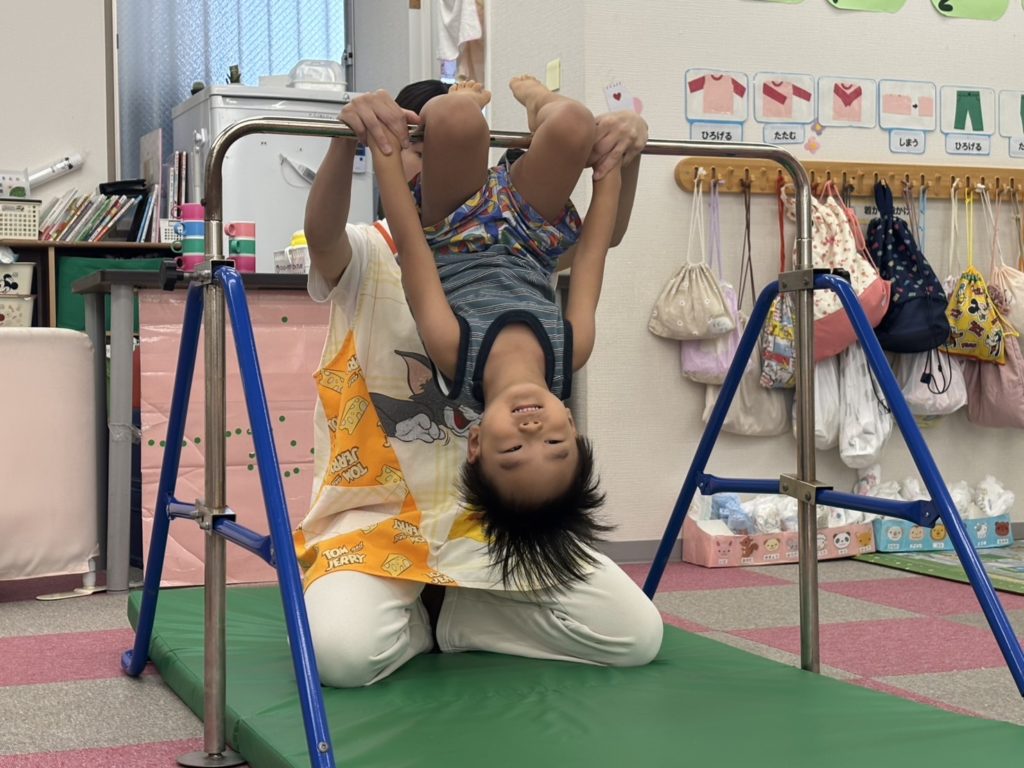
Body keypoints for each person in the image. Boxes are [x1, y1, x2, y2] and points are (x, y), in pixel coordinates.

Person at [295, 80, 661, 688]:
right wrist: (349, 141)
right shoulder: (370, 246)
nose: (534, 427)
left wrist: (626, 149)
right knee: (342, 656)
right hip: (379, 522)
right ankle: (420, 618)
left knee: (636, 634)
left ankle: (456, 615)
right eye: (416, 146)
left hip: (488, 523)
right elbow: (323, 235)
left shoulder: (493, 302)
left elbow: (603, 240)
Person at [368, 76, 620, 592]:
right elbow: (592, 256)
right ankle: (537, 104)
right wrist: (611, 168)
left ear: (478, 443)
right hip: (533, 236)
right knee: (575, 123)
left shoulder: (455, 354)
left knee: (455, 117)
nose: (533, 431)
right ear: (571, 424)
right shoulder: (571, 351)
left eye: (514, 452)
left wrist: (386, 155)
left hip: (451, 228)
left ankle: (474, 104)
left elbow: (413, 250)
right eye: (555, 442)